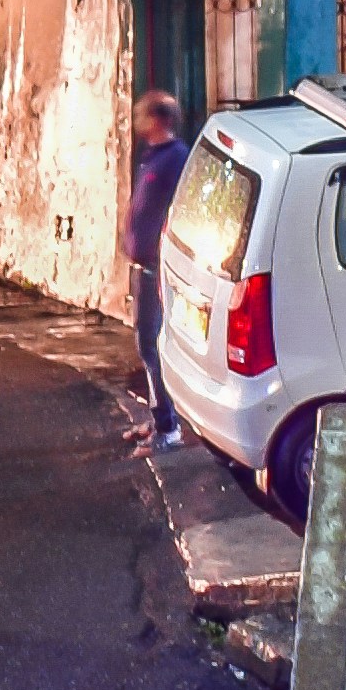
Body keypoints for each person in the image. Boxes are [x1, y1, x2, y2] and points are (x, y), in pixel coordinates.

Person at [121, 92, 193, 446]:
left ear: (159, 120)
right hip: (142, 267)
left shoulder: (175, 159)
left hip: (154, 269)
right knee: (146, 343)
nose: (137, 122)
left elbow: (179, 212)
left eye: (142, 116)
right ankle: (158, 418)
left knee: (153, 344)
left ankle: (168, 427)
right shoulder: (152, 158)